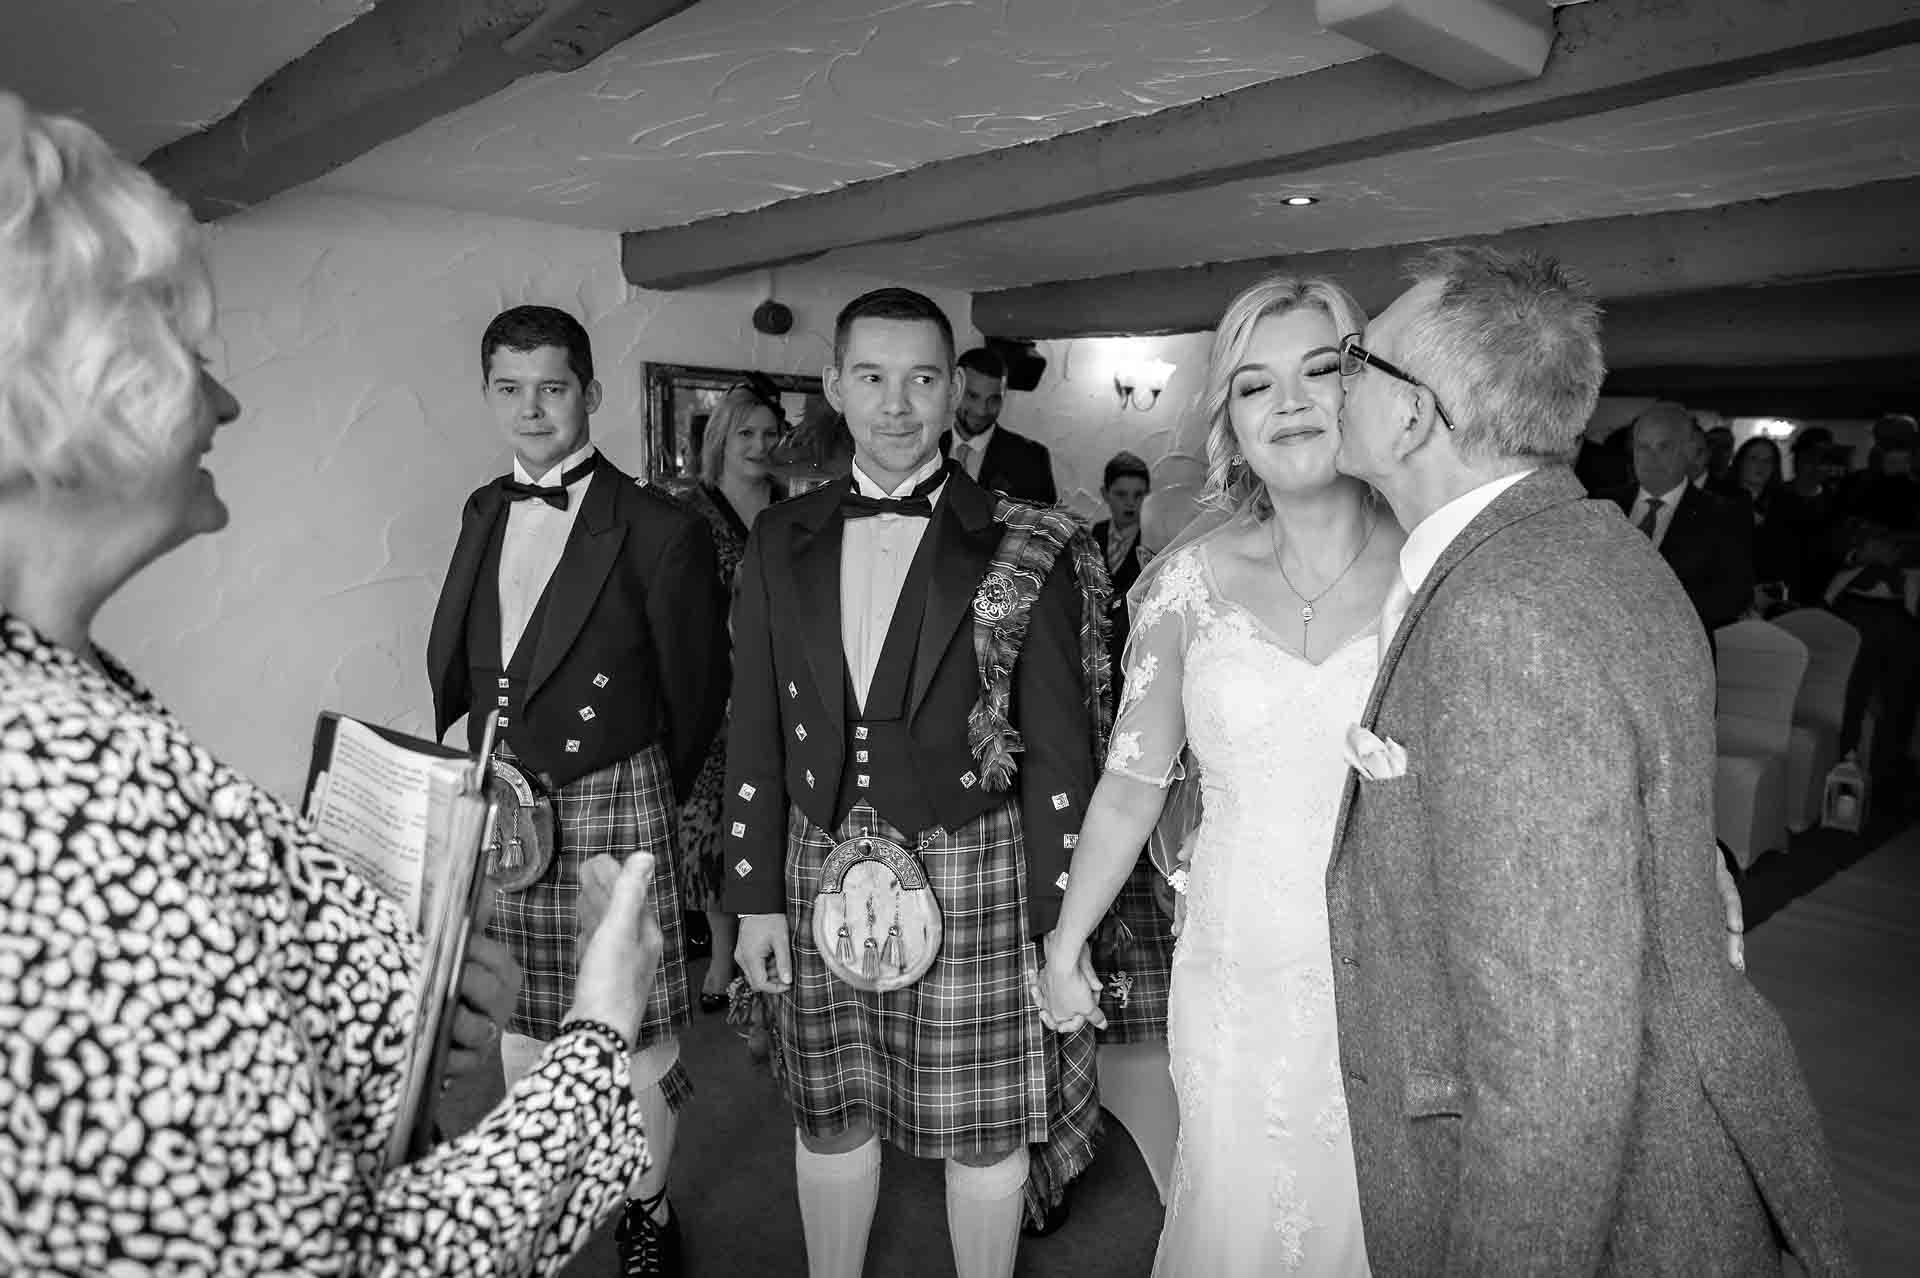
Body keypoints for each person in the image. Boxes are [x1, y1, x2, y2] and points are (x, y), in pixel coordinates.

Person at [0, 94, 666, 1273]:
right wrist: (601, 1032)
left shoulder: (62, 688)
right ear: (60, 386)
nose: (225, 398)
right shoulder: (66, 791)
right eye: (183, 354)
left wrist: (388, 1014)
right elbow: (338, 1262)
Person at [1328, 245, 1852, 1275]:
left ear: (1412, 413)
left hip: (1620, 1210)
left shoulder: (1504, 618)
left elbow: (1555, 1056)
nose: (1334, 378)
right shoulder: (1590, 543)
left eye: (1357, 357)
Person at [724, 288, 1103, 1278]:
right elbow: (755, 724)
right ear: (834, 385)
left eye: (923, 379)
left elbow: (1062, 756)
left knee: (983, 1127)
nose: (897, 404)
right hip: (816, 854)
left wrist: (1057, 930)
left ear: (955, 393)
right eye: (874, 377)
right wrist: (752, 899)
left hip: (975, 858)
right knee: (832, 1106)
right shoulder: (780, 535)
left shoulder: (1028, 539)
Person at [1040, 275, 1401, 1275]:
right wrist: (1067, 943)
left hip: (1398, 964)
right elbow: (1132, 784)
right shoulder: (1188, 589)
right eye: (1255, 385)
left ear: (1366, 390)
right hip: (1238, 964)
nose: (1289, 402)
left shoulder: (1432, 568)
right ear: (1231, 426)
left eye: (1322, 370)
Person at [426, 304, 728, 1276]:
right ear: (488, 396)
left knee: (633, 1030)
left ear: (590, 394)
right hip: (507, 800)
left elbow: (696, 693)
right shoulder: (483, 506)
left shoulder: (658, 528)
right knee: (522, 1019)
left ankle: (648, 1206)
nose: (531, 408)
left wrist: (643, 791)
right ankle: (543, 1186)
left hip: (611, 795)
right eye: (509, 389)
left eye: (551, 387)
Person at [670, 380, 786, 1010]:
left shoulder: (791, 508)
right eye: (746, 433)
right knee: (711, 826)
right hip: (712, 692)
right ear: (722, 438)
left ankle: (769, 942)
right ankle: (720, 955)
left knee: (771, 817)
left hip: (778, 686)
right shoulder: (692, 513)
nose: (759, 446)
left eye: (770, 434)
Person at [1604, 402, 1754, 643]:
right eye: (1643, 447)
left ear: (1688, 451)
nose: (1652, 458)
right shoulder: (1601, 506)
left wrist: (1653, 616)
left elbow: (1734, 595)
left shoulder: (1723, 515)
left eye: (1664, 447)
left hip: (1682, 652)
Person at [939, 345, 1059, 503]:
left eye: (993, 400)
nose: (981, 411)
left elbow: (1044, 526)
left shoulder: (1030, 460)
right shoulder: (922, 451)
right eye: (973, 396)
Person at [1091, 450, 1155, 700]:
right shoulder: (1095, 534)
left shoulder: (1151, 541)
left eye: (1139, 495)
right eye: (1121, 494)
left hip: (1131, 649)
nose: (1130, 503)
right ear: (1105, 494)